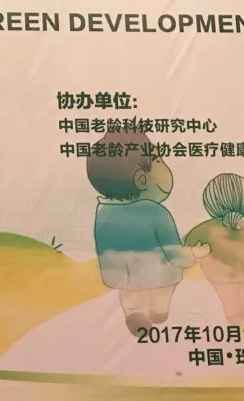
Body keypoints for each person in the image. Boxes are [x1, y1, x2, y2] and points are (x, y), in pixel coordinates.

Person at [86, 130, 210, 336]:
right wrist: (192, 254)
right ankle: (159, 309)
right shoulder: (156, 212)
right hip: (159, 273)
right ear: (142, 180)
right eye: (158, 160)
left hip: (123, 275)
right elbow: (173, 252)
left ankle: (134, 312)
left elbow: (104, 249)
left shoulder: (104, 213)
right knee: (164, 287)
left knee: (129, 293)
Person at [186, 173, 244, 324]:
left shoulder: (205, 229)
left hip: (219, 274)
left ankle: (234, 321)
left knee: (229, 302)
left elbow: (190, 247)